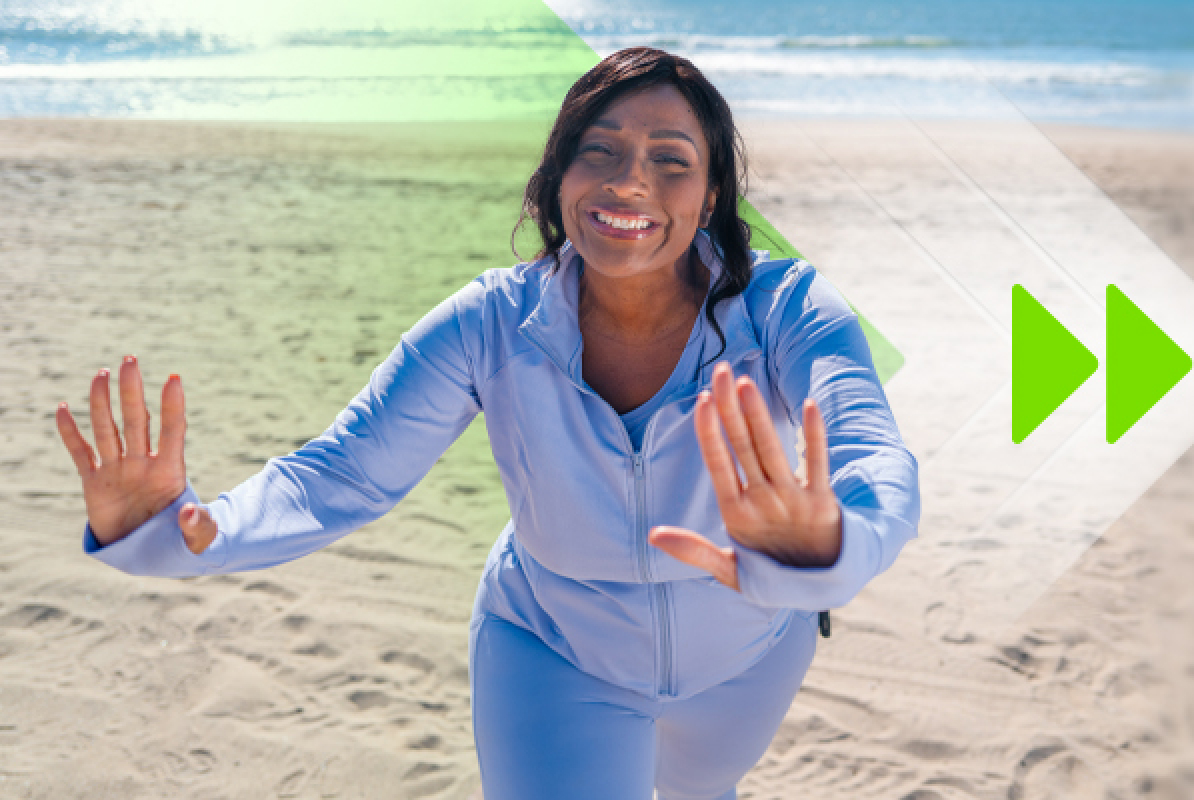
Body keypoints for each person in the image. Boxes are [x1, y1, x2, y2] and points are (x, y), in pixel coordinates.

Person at [52, 47, 919, 799]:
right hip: (554, 652)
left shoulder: (786, 308)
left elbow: (870, 451)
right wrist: (182, 531)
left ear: (712, 191)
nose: (628, 183)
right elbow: (344, 473)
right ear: (556, 179)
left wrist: (837, 539)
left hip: (749, 654)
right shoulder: (488, 326)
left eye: (670, 160)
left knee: (700, 789)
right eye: (600, 153)